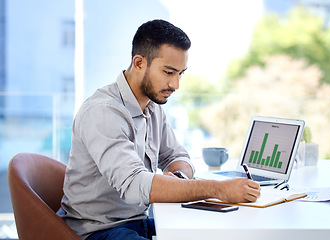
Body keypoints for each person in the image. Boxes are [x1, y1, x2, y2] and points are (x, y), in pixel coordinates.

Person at [57, 19, 261, 240]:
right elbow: (134, 185)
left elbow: (177, 155)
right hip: (97, 231)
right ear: (138, 63)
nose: (176, 85)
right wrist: (217, 189)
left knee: (214, 231)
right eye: (168, 72)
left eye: (180, 73)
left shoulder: (152, 106)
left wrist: (179, 177)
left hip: (136, 222)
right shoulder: (103, 112)